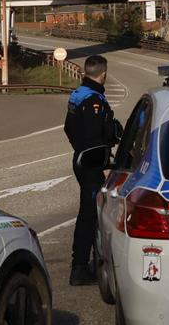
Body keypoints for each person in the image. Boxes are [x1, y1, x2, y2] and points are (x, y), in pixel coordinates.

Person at [64, 55, 120, 286]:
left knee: (90, 213)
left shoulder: (77, 95)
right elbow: (96, 137)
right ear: (103, 74)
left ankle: (89, 262)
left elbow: (69, 128)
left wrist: (80, 151)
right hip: (92, 164)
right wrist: (105, 164)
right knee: (89, 214)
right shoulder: (94, 101)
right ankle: (79, 268)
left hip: (82, 160)